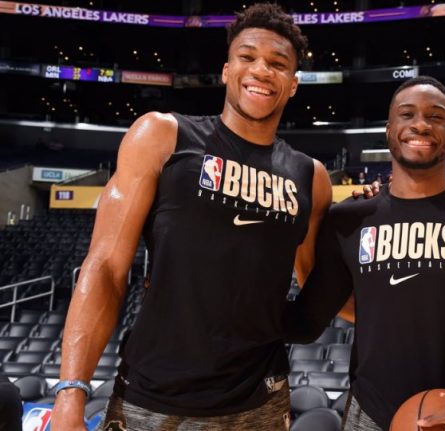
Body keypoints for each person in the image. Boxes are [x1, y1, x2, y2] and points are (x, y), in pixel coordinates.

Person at [51, 4, 332, 430]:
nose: (261, 70)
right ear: (226, 71)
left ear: (293, 84)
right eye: (247, 57)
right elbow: (105, 266)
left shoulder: (311, 176)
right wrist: (71, 391)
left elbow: (318, 287)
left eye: (277, 64)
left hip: (260, 401)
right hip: (152, 396)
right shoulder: (161, 135)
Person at [284, 76, 445, 431]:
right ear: (389, 130)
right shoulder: (348, 221)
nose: (420, 124)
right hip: (369, 415)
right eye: (407, 114)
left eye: (435, 116)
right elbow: (305, 323)